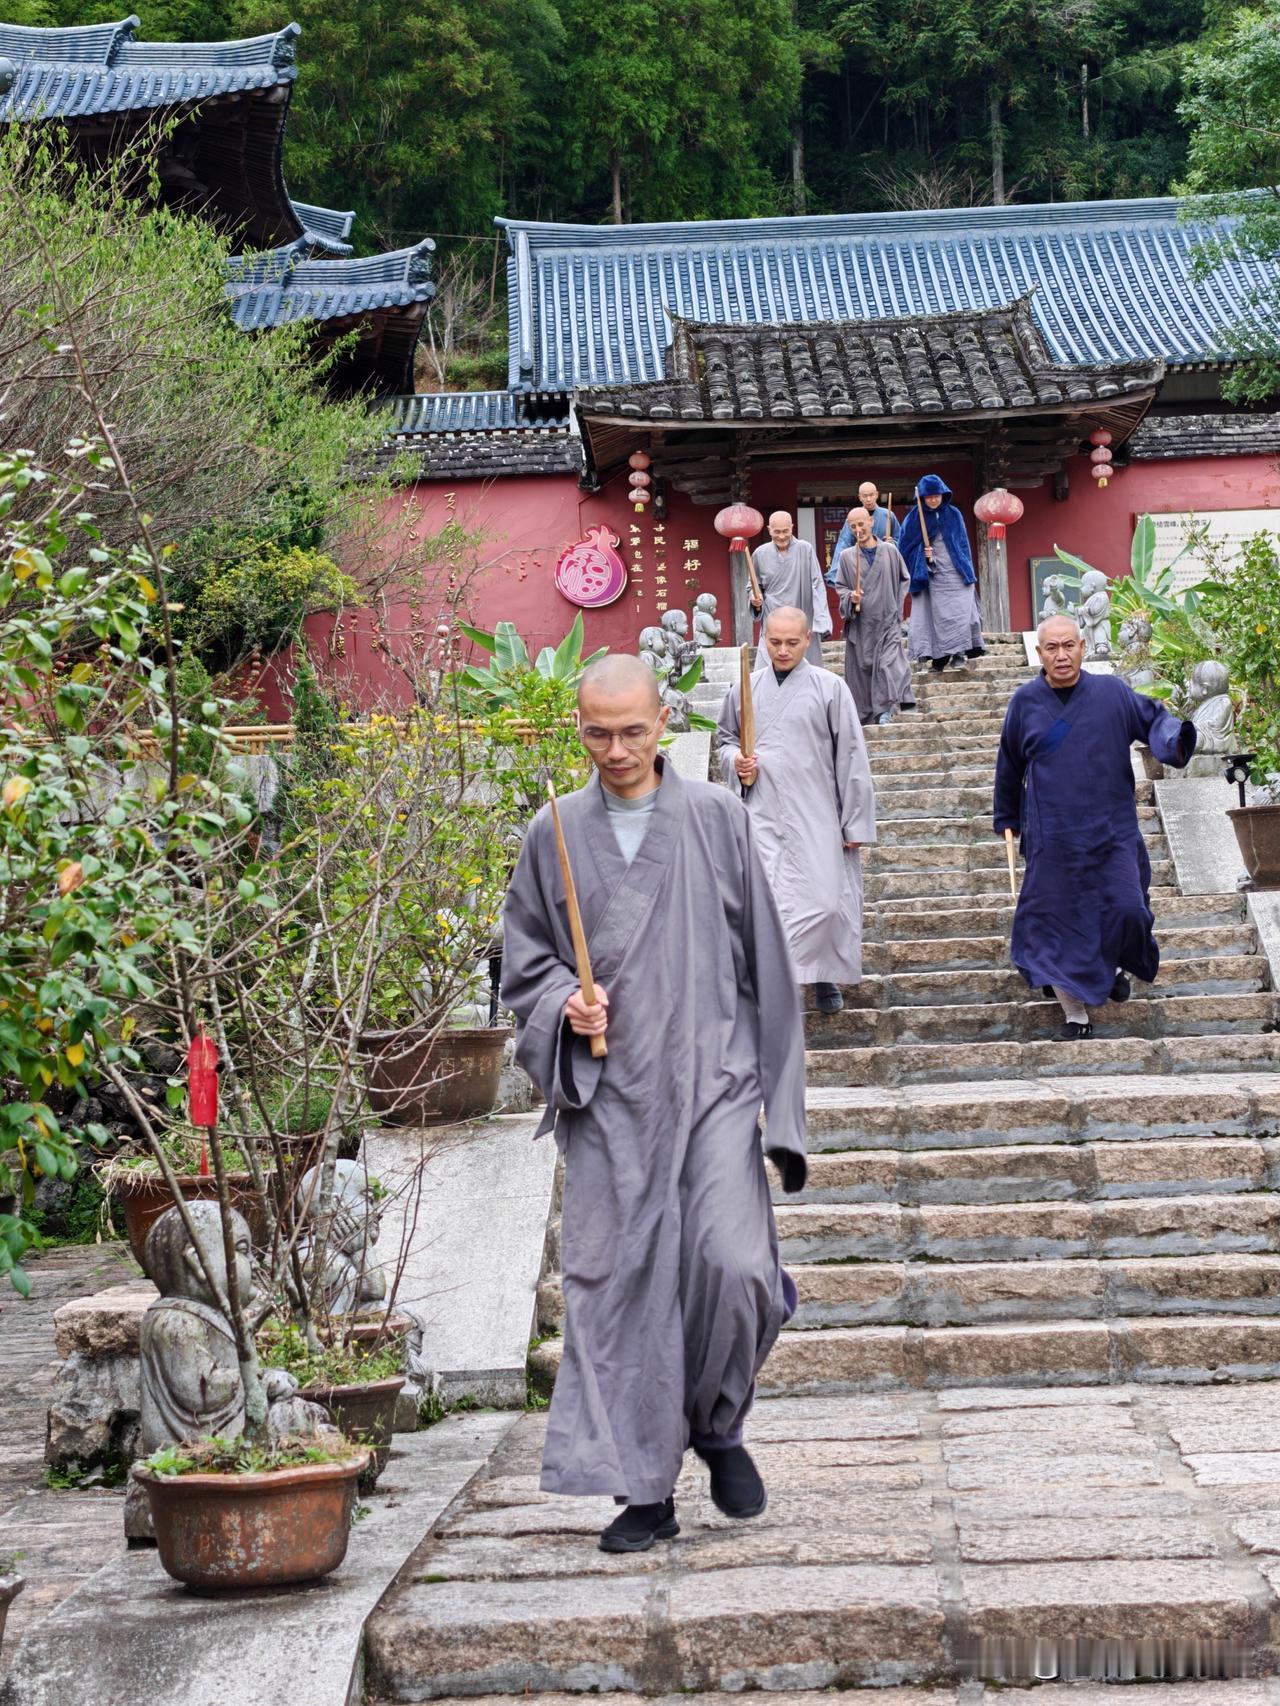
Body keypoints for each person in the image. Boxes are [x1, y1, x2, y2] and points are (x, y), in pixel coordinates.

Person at [500, 654, 807, 1555]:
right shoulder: (548, 831)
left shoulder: (715, 819)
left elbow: (771, 970)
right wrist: (565, 1000)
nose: (618, 750)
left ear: (664, 718)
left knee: (736, 1265)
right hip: (612, 1097)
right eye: (598, 734)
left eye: (634, 731)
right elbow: (522, 963)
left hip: (712, 1080)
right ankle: (643, 1488)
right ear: (579, 728)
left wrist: (781, 1119)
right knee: (617, 1293)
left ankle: (716, 1422)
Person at [993, 615, 1196, 1040]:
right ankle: (1076, 1017)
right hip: (1053, 836)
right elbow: (1010, 765)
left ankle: (1116, 966)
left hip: (1112, 831)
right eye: (1052, 648)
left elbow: (1154, 719)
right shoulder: (1025, 703)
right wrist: (1007, 817)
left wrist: (1174, 739)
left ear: (1083, 647)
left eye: (1069, 646)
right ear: (1039, 653)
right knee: (1056, 924)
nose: (1061, 655)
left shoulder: (1111, 693)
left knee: (1129, 910)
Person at [716, 606, 876, 1017]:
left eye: (791, 642)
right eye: (774, 642)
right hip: (762, 812)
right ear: (763, 638)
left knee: (824, 900)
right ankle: (778, 984)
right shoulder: (745, 689)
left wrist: (854, 818)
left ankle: (823, 973)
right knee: (768, 902)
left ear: (808, 640)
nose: (782, 651)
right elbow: (724, 741)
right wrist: (735, 762)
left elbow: (852, 756)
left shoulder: (830, 688)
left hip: (817, 810)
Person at [833, 506, 916, 726]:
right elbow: (840, 587)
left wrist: (896, 607)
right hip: (863, 623)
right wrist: (852, 597)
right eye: (853, 527)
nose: (858, 529)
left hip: (888, 619)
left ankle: (885, 709)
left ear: (870, 521)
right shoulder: (846, 557)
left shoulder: (890, 551)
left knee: (887, 664)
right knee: (865, 668)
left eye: (861, 524)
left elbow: (903, 579)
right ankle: (871, 711)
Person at [898, 474, 985, 671]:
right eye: (929, 497)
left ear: (943, 494)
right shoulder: (914, 518)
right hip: (931, 576)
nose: (933, 500)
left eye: (936, 495)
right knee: (934, 617)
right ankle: (939, 659)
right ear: (921, 498)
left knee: (960, 614)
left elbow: (963, 545)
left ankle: (959, 653)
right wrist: (922, 552)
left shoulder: (954, 514)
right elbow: (904, 549)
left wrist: (967, 569)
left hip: (956, 572)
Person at [751, 510, 830, 663]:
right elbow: (753, 586)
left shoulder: (805, 549)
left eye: (785, 531)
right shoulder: (760, 554)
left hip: (800, 613)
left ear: (792, 528)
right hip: (773, 616)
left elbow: (817, 584)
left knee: (805, 668)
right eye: (777, 532)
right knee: (769, 668)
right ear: (769, 530)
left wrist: (821, 621)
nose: (781, 536)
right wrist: (755, 600)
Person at [825, 481, 900, 584]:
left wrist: (892, 543)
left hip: (884, 566)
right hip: (861, 567)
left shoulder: (888, 515)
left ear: (876, 495)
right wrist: (837, 572)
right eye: (865, 496)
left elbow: (901, 540)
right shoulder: (853, 518)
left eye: (871, 495)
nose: (868, 499)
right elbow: (844, 544)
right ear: (860, 497)